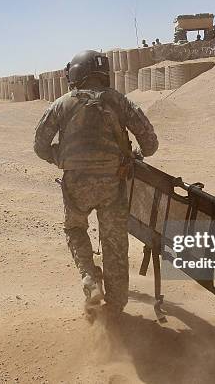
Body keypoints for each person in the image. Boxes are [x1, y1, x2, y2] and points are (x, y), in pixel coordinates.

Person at [33, 50, 158, 320]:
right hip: (113, 184)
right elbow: (151, 143)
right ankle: (115, 308)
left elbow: (40, 146)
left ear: (76, 73)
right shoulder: (119, 101)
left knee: (75, 229)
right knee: (115, 245)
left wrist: (61, 158)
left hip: (75, 185)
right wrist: (134, 154)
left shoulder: (61, 104)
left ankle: (89, 278)